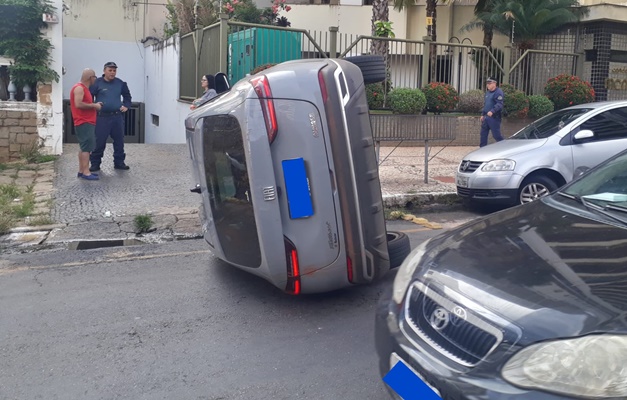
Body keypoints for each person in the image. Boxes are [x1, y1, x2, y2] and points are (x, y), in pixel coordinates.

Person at [89, 61, 132, 171]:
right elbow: (89, 97)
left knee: (119, 141)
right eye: (110, 70)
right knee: (99, 142)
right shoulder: (97, 83)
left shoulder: (120, 83)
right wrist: (93, 106)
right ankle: (95, 163)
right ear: (104, 71)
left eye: (114, 70)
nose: (112, 73)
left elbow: (127, 96)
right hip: (102, 117)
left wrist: (126, 106)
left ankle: (119, 162)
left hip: (117, 117)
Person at [70, 68, 102, 181]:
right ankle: (86, 172)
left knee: (83, 146)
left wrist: (95, 104)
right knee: (87, 148)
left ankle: (81, 170)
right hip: (84, 121)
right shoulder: (79, 88)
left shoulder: (83, 88)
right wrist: (94, 106)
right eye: (94, 77)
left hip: (85, 121)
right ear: (90, 78)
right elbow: (78, 104)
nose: (95, 79)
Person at [480, 77, 505, 147]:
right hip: (486, 117)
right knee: (483, 134)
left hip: (494, 117)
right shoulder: (487, 93)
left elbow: (499, 104)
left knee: (496, 135)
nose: (488, 85)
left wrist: (492, 111)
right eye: (487, 84)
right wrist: (482, 114)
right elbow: (486, 104)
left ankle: (504, 147)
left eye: (489, 83)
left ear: (494, 83)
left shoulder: (498, 92)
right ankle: (482, 149)